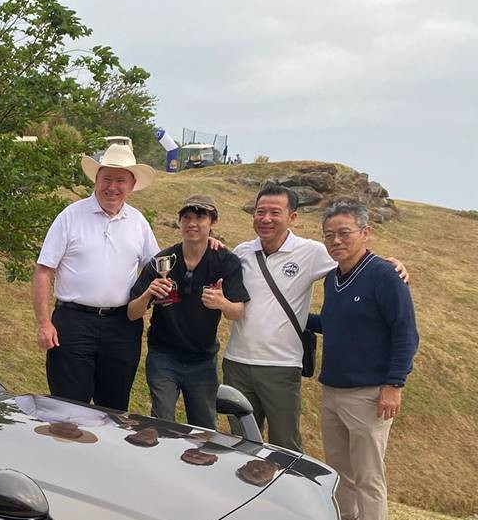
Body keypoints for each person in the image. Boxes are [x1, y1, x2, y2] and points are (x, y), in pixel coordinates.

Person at [222, 182, 407, 451]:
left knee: (285, 447)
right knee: (241, 442)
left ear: (292, 217)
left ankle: (283, 482)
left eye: (275, 212)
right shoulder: (242, 252)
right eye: (260, 212)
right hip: (236, 361)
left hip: (281, 365)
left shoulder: (312, 251)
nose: (266, 219)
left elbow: (356, 262)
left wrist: (391, 266)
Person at [310, 201, 418, 520]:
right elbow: (332, 323)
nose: (336, 241)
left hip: (370, 392)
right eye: (329, 235)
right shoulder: (333, 279)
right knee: (341, 470)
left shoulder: (385, 275)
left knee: (369, 472)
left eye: (344, 233)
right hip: (334, 388)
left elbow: (406, 333)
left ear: (365, 233)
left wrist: (394, 384)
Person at [30, 144, 159, 410]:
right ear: (96, 180)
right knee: (68, 407)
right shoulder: (70, 216)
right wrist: (44, 324)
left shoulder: (138, 222)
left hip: (122, 326)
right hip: (73, 323)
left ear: (132, 185)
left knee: (114, 408)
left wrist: (205, 245)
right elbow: (43, 272)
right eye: (106, 179)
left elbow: (157, 267)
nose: (112, 187)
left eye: (120, 180)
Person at [128, 194, 247, 428]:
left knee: (204, 428)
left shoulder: (225, 261)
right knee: (162, 423)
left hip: (203, 360)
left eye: (200, 218)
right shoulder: (162, 260)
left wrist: (222, 303)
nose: (192, 224)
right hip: (163, 357)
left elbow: (237, 312)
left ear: (213, 222)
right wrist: (148, 293)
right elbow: (132, 313)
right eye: (186, 218)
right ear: (179, 222)